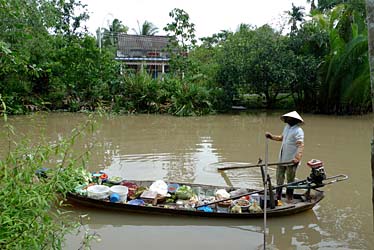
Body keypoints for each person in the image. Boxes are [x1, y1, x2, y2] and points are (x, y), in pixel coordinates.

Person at [265, 111, 304, 203]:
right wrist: (271, 137)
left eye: (288, 118)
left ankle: (289, 197)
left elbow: (300, 145)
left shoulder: (298, 130)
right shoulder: (287, 128)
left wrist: (297, 158)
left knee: (290, 180)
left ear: (294, 120)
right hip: (282, 159)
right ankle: (278, 195)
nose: (286, 119)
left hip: (292, 160)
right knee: (279, 177)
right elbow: (281, 138)